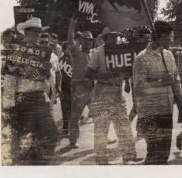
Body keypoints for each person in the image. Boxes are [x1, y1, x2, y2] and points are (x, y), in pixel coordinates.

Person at [133, 20, 182, 165]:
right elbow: (138, 89)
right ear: (162, 36)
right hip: (149, 113)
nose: (172, 40)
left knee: (164, 155)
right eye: (170, 37)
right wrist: (159, 83)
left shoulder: (170, 55)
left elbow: (176, 83)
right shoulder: (142, 58)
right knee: (154, 154)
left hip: (166, 112)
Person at [3, 17, 58, 165]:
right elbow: (9, 80)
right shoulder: (16, 52)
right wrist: (8, 105)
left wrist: (48, 71)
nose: (38, 35)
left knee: (51, 135)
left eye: (39, 32)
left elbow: (48, 79)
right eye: (34, 31)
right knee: (24, 139)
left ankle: (40, 164)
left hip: (41, 97)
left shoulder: (45, 54)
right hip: (24, 98)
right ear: (26, 33)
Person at [86, 27, 140, 164]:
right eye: (111, 37)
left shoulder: (121, 51)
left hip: (117, 91)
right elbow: (88, 73)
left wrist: (127, 80)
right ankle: (101, 157)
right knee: (102, 126)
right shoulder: (98, 53)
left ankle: (129, 154)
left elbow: (126, 69)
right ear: (105, 38)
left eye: (116, 36)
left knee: (124, 125)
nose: (115, 39)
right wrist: (100, 75)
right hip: (102, 91)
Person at [67, 15, 95, 148]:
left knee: (99, 114)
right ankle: (73, 140)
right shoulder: (77, 52)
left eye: (90, 40)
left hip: (92, 88)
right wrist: (72, 26)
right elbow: (70, 42)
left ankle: (102, 138)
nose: (88, 42)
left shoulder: (95, 54)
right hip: (79, 87)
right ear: (81, 41)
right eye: (85, 40)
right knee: (76, 115)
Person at [59, 42, 73, 137]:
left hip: (73, 87)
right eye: (67, 48)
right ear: (63, 50)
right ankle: (65, 128)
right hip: (63, 87)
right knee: (64, 108)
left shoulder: (75, 60)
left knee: (72, 108)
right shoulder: (60, 60)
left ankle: (71, 129)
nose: (69, 50)